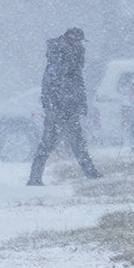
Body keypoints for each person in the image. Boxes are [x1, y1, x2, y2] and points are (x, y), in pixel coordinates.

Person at [27, 27, 101, 185]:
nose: (81, 46)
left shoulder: (71, 59)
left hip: (69, 107)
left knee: (75, 142)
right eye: (78, 42)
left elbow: (76, 85)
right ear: (71, 40)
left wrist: (79, 104)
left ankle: (91, 173)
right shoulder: (59, 59)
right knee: (50, 142)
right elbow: (49, 86)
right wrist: (51, 108)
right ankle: (34, 177)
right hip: (59, 109)